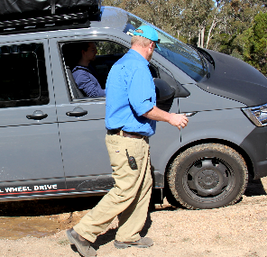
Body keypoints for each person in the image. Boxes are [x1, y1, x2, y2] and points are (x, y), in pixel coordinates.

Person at [66, 25, 189, 257]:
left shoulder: (121, 64)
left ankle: (128, 236)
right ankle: (83, 232)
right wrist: (171, 117)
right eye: (155, 47)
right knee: (125, 190)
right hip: (129, 141)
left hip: (128, 140)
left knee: (142, 187)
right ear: (151, 45)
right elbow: (144, 107)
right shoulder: (139, 67)